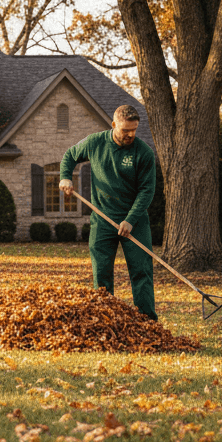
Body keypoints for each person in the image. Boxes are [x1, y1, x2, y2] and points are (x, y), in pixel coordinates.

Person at [59, 104, 158, 320]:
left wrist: (130, 220)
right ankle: (104, 319)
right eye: (125, 130)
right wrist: (65, 176)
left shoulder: (143, 153)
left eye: (134, 130)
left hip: (135, 223)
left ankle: (148, 322)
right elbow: (70, 155)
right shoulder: (95, 142)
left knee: (141, 272)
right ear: (113, 125)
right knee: (101, 272)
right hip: (103, 220)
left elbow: (146, 191)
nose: (130, 134)